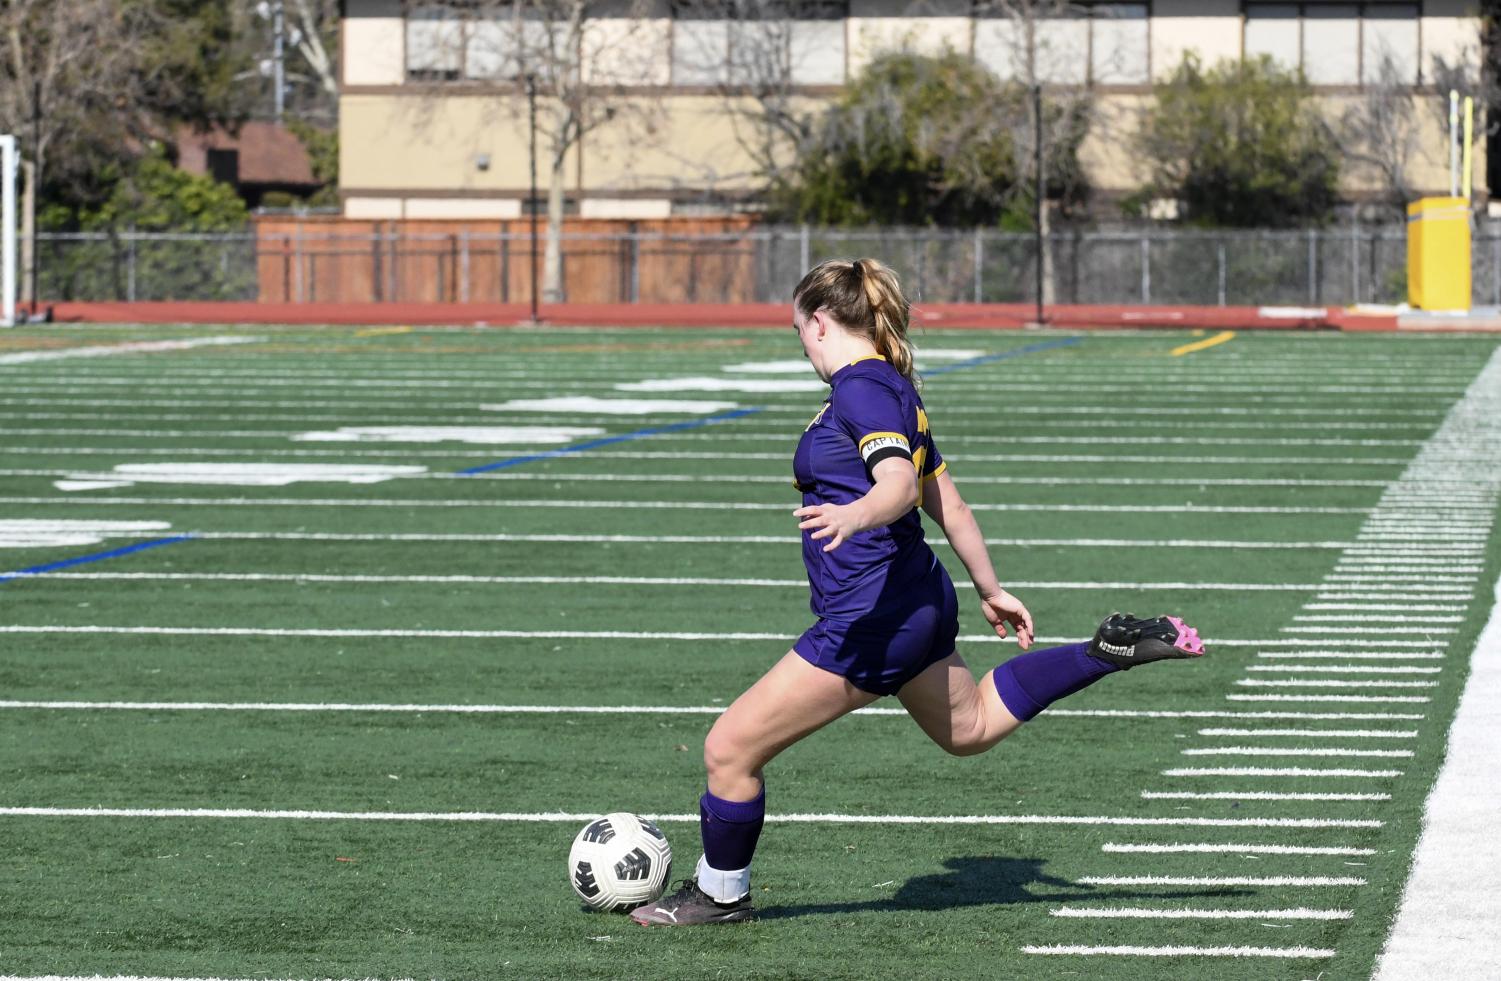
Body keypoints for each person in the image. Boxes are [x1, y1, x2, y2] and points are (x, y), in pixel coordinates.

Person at [631, 258, 1204, 927]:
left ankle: (718, 894)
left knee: (729, 748)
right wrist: (990, 588)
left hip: (870, 614)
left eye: (799, 332)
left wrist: (855, 514)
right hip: (919, 598)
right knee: (971, 726)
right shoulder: (895, 389)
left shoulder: (859, 391)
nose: (802, 348)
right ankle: (1102, 649)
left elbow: (900, 486)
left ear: (819, 322)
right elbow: (949, 506)